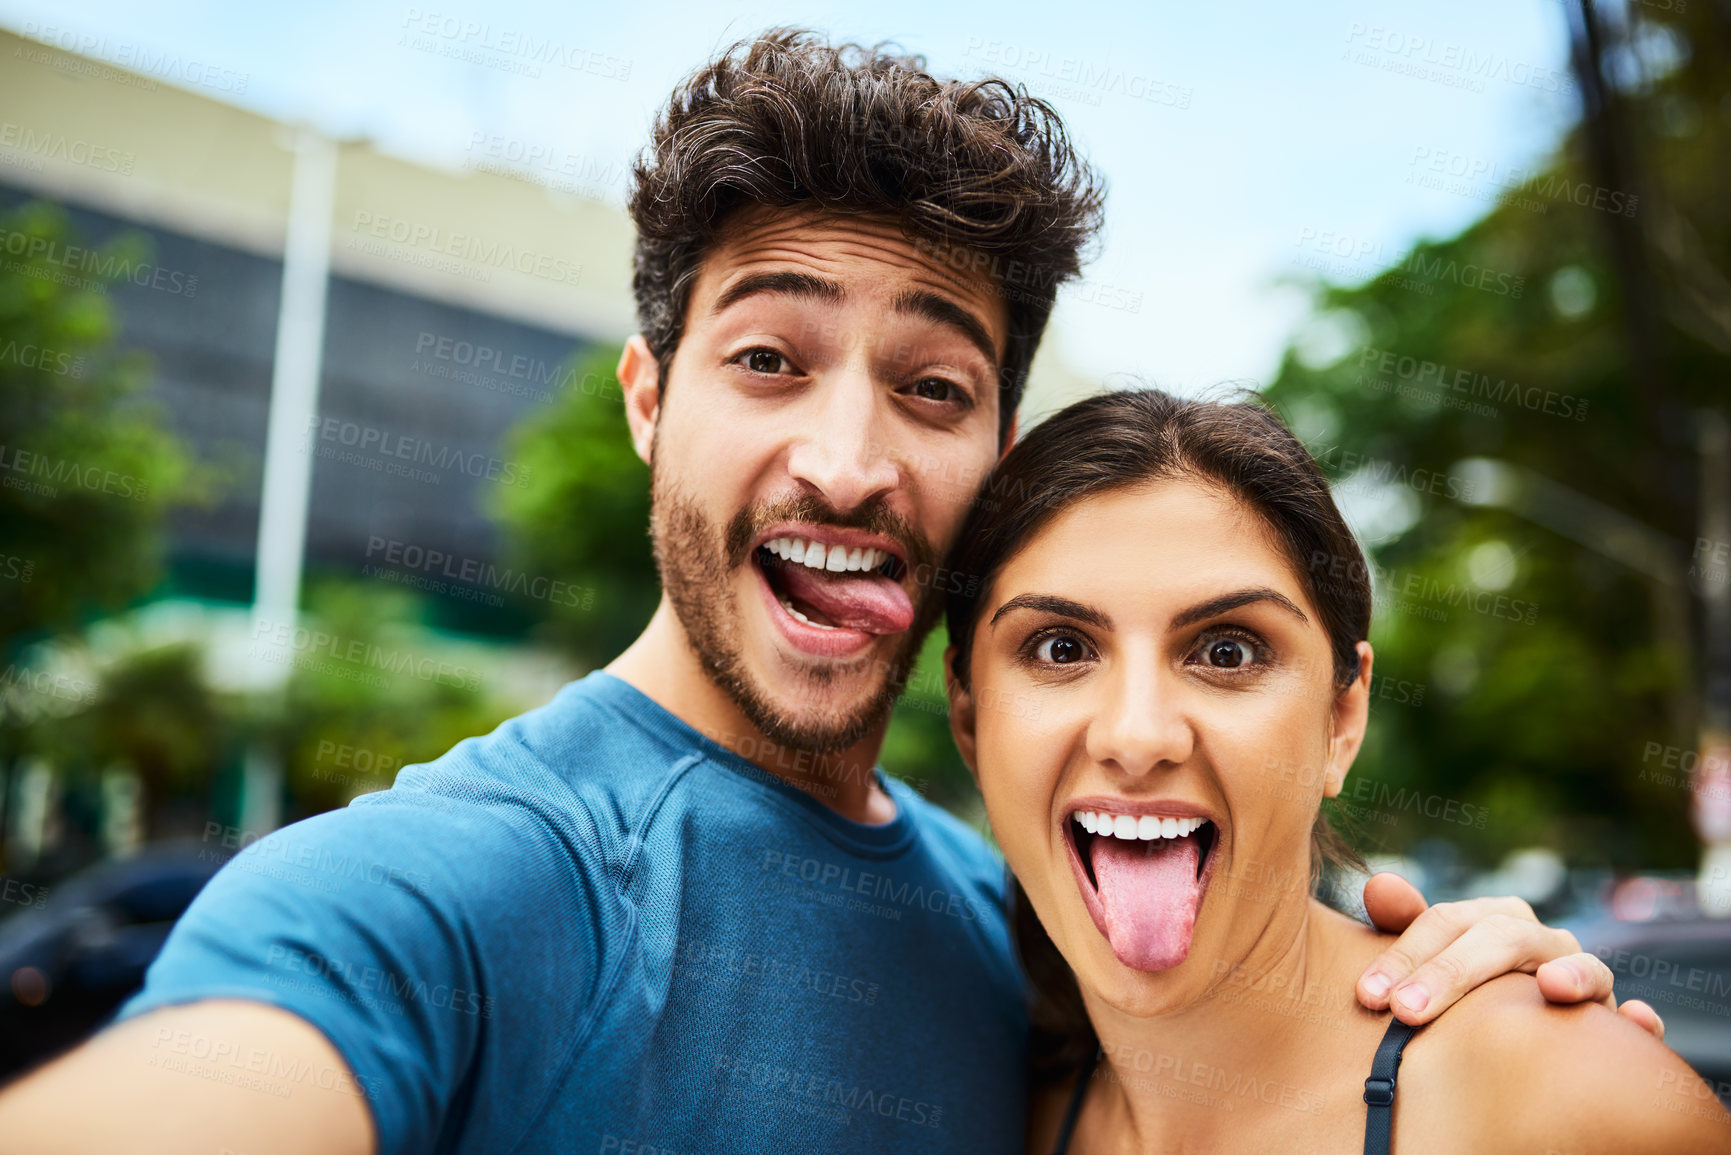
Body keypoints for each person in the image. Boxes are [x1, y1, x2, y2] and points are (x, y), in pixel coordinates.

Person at [0, 31, 1660, 1155]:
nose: (850, 461)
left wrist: (1494, 1019)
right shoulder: (447, 891)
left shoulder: (1030, 944)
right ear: (651, 404)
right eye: (770, 360)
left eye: (931, 389)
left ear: (997, 450)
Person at [940, 387, 1729, 1154]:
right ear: (969, 718)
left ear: (1340, 720)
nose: (1138, 735)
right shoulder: (999, 1102)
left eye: (1226, 651)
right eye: (1061, 648)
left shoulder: (1553, 1101)